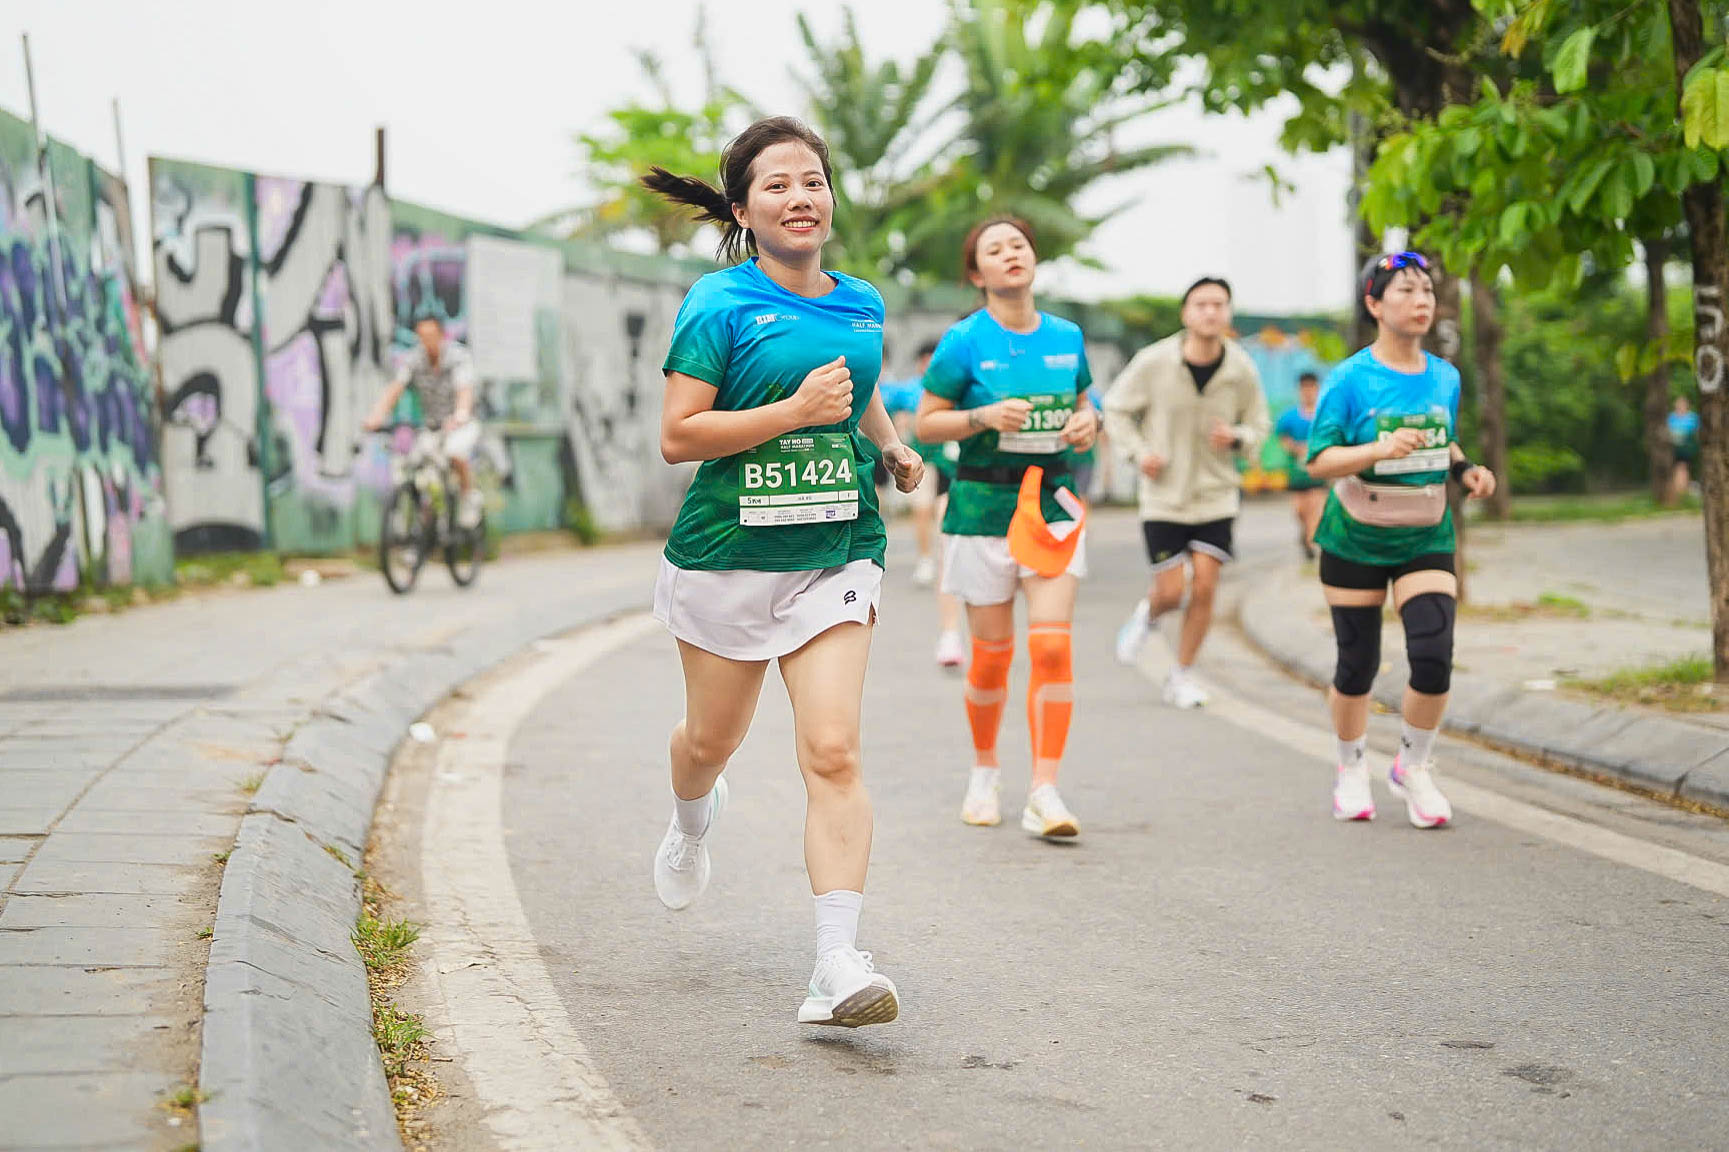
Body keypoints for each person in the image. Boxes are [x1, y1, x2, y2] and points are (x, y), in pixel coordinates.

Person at [639, 116, 924, 1028]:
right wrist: (793, 410)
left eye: (812, 181)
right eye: (777, 186)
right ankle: (691, 817)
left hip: (834, 551)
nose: (800, 198)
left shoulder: (863, 300)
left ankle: (835, 965)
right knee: (708, 744)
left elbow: (861, 381)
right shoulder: (718, 303)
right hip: (728, 557)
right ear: (742, 208)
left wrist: (888, 444)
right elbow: (679, 436)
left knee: (832, 751)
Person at [914, 215, 1098, 838]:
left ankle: (1045, 789)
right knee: (991, 659)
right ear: (978, 273)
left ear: (1033, 259)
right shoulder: (964, 341)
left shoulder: (1068, 337)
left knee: (1051, 646)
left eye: (1018, 244)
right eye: (995, 249)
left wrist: (1088, 421)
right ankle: (985, 770)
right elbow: (926, 424)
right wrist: (984, 415)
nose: (1010, 254)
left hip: (1051, 506)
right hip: (982, 510)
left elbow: (1083, 403)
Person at [1303, 251, 1497, 829]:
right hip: (1356, 536)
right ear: (1373, 304)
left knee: (1434, 654)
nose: (1421, 302)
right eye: (1406, 291)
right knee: (1357, 664)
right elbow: (1320, 461)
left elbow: (1446, 440)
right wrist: (1377, 451)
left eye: (1427, 292)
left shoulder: (1445, 376)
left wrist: (1466, 472)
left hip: (1424, 533)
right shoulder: (1348, 380)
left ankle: (1413, 767)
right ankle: (1350, 766)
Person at [1104, 277, 1270, 708]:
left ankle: (1182, 675)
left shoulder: (1241, 369)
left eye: (1219, 304)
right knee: (1171, 591)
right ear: (1186, 314)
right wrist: (1139, 453)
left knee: (1207, 585)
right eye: (1202, 304)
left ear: (1229, 313)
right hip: (1164, 496)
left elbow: (1259, 425)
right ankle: (1150, 613)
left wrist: (1236, 437)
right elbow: (1116, 409)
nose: (1211, 312)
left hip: (1216, 494)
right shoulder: (1154, 361)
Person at [890, 339, 969, 666]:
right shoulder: (912, 390)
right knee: (934, 522)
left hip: (966, 467)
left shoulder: (968, 383)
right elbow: (884, 405)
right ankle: (950, 632)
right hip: (926, 463)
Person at [364, 315, 484, 526]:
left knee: (455, 453)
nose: (426, 341)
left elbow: (464, 389)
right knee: (417, 467)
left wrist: (461, 413)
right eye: (421, 336)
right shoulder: (414, 359)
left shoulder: (458, 356)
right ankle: (420, 535)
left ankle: (468, 499)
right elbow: (395, 388)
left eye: (430, 336)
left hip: (461, 423)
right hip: (433, 426)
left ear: (441, 335)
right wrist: (377, 414)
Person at [1276, 371, 1326, 558]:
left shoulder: (1323, 415)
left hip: (1318, 470)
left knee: (1315, 505)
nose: (1308, 392)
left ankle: (1311, 543)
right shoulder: (1289, 416)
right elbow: (1282, 437)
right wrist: (1295, 448)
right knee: (1300, 509)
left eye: (1311, 387)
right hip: (1297, 472)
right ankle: (1305, 534)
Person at [1667, 395, 1700, 506]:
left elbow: (1697, 432)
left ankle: (1681, 492)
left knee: (1682, 468)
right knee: (1679, 469)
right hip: (1673, 448)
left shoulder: (1692, 417)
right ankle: (1683, 491)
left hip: (1687, 448)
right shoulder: (1671, 417)